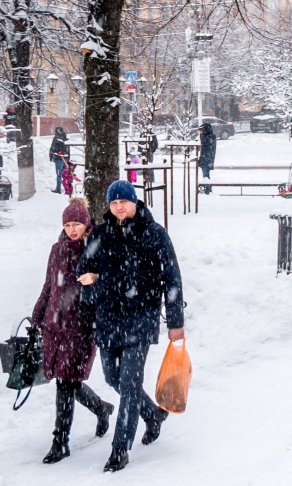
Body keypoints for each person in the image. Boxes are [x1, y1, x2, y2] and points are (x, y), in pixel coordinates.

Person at [77, 180, 185, 473]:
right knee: (113, 377)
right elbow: (84, 273)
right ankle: (152, 414)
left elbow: (172, 279)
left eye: (124, 201)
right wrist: (92, 287)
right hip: (109, 318)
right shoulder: (100, 234)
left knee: (130, 383)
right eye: (114, 203)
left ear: (135, 202)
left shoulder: (154, 234)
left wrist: (175, 322)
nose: (119, 207)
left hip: (141, 317)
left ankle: (119, 448)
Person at [31, 199, 113, 463]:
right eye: (67, 224)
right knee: (67, 381)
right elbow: (49, 286)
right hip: (56, 325)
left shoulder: (94, 248)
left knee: (66, 382)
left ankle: (60, 442)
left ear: (86, 222)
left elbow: (109, 282)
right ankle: (102, 408)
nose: (72, 229)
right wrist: (38, 315)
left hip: (82, 326)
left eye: (76, 223)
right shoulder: (57, 249)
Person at [49, 126, 71, 194]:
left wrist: (52, 156)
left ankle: (58, 189)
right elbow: (67, 148)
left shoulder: (56, 138)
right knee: (65, 174)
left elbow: (53, 148)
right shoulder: (65, 138)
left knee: (59, 174)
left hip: (59, 158)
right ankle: (68, 188)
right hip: (65, 158)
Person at [197, 120, 216, 196]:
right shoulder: (206, 136)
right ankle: (207, 188)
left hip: (207, 159)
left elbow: (208, 148)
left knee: (206, 175)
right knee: (205, 174)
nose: (200, 132)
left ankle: (208, 188)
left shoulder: (209, 137)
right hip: (204, 158)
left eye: (201, 130)